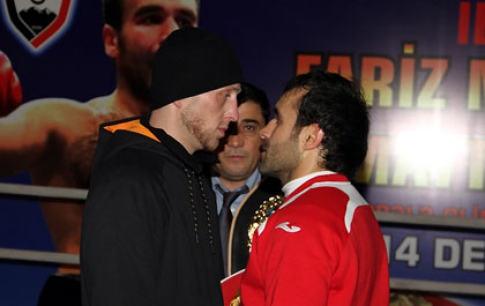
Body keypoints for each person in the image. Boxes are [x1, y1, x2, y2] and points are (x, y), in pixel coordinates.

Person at [0, 0, 198, 304]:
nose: (171, 33)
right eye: (151, 18)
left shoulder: (222, 139)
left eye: (185, 22)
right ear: (111, 40)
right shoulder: (64, 123)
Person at [80, 26, 244, 306]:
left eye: (236, 97)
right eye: (225, 95)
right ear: (181, 92)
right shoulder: (128, 181)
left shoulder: (192, 173)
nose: (234, 113)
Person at [239, 71, 390, 305]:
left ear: (311, 137)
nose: (265, 131)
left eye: (278, 119)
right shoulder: (355, 210)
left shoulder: (301, 222)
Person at [210, 82, 282, 277]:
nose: (235, 141)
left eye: (248, 127)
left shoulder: (287, 200)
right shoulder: (182, 194)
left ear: (265, 134)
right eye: (227, 127)